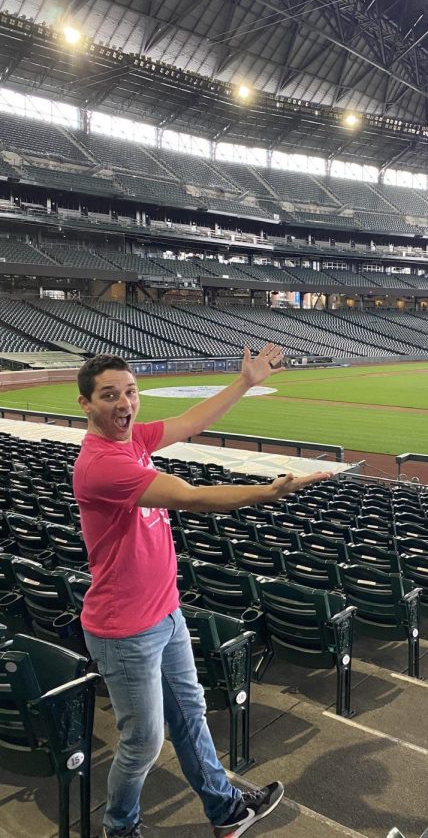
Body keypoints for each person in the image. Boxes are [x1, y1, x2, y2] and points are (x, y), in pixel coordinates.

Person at [73, 345, 330, 838]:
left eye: (130, 392)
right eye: (109, 396)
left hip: (164, 613)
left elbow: (190, 421)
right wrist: (266, 492)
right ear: (85, 404)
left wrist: (245, 382)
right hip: (124, 631)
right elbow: (191, 499)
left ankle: (227, 812)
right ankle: (119, 828)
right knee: (142, 745)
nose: (125, 404)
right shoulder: (102, 464)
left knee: (191, 717)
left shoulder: (131, 440)